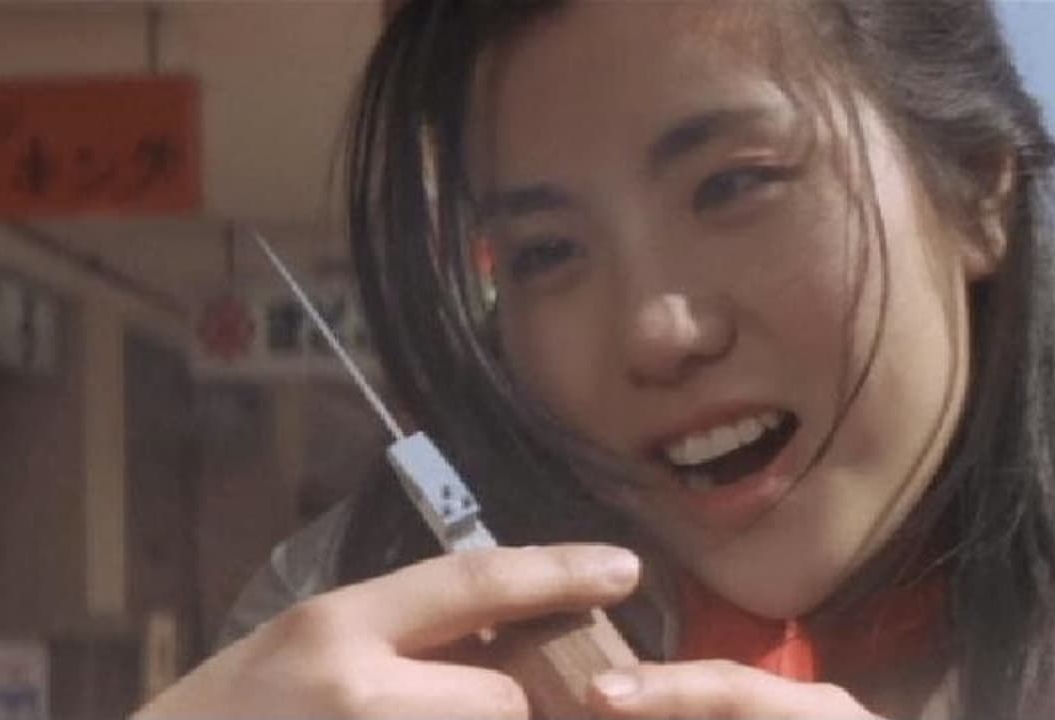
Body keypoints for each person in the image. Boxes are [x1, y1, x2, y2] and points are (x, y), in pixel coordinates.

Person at [137, 1, 1055, 718]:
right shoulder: (355, 614)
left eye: (733, 185)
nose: (656, 334)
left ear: (975, 188)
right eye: (546, 253)